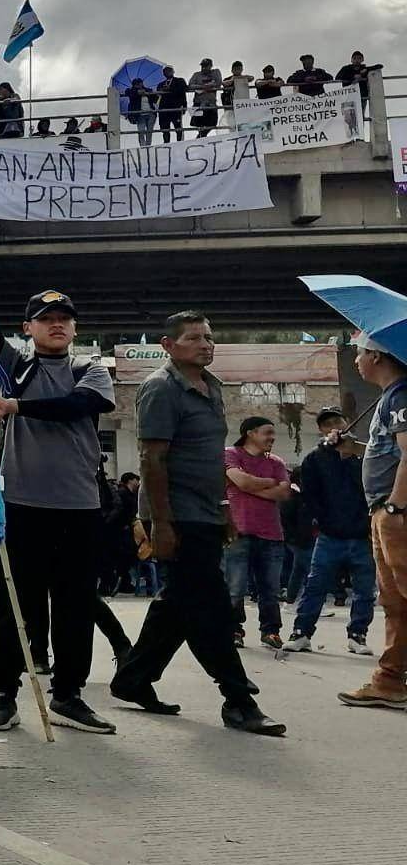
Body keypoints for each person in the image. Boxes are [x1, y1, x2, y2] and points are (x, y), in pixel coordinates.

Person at [109, 312, 284, 734]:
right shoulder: (161, 389)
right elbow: (153, 458)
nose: (205, 344)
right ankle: (237, 697)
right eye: (193, 338)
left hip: (206, 512)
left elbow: (208, 459)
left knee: (179, 604)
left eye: (208, 337)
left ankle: (133, 679)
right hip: (178, 515)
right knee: (210, 606)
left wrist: (224, 508)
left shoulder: (213, 387)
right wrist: (161, 524)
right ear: (169, 345)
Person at [0, 240, 118, 735]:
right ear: (29, 327)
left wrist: (15, 408)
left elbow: (77, 407)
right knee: (17, 602)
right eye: (46, 317)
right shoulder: (16, 366)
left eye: (65, 318)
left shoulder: (89, 368)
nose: (57, 324)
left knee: (75, 603)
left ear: (74, 328)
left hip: (79, 506)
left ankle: (69, 695)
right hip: (22, 505)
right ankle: (2, 693)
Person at [320, 336, 407, 709]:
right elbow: (387, 451)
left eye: (359, 353)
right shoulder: (390, 397)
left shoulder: (401, 396)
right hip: (383, 510)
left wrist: (396, 509)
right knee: (396, 602)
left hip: (395, 513)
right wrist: (351, 447)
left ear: (376, 355)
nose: (356, 360)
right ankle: (389, 681)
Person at [284, 406, 373, 655]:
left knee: (364, 589)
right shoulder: (316, 458)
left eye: (337, 420)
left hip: (361, 536)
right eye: (327, 423)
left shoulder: (362, 455)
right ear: (321, 429)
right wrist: (321, 522)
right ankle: (301, 633)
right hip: (329, 535)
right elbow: (309, 495)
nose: (333, 426)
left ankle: (358, 635)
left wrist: (350, 454)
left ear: (347, 422)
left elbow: (373, 485)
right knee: (316, 585)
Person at [223, 417, 293, 649]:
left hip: (272, 534)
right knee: (235, 587)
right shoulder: (231, 454)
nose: (272, 437)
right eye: (268, 432)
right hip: (238, 531)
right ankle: (233, 629)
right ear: (250, 433)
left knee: (270, 589)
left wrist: (251, 486)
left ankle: (270, 631)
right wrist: (268, 483)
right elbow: (240, 480)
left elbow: (284, 493)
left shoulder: (276, 462)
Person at [187, 58, 221, 137]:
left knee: (212, 124)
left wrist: (210, 84)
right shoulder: (196, 74)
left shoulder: (215, 72)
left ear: (210, 66)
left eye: (206, 66)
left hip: (211, 103)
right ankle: (200, 138)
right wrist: (203, 87)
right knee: (198, 124)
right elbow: (190, 86)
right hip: (198, 103)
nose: (204, 68)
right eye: (202, 66)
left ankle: (200, 138)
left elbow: (218, 83)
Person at [154, 65, 188, 143]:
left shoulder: (180, 80)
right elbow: (157, 95)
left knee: (178, 128)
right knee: (165, 129)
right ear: (163, 73)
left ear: (173, 71)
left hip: (176, 108)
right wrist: (162, 90)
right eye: (165, 71)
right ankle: (166, 144)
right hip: (164, 109)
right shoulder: (160, 84)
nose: (167, 72)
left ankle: (180, 143)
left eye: (169, 70)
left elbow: (183, 90)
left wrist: (184, 106)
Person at [122, 78, 156, 145]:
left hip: (151, 113)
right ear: (134, 85)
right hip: (140, 115)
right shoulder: (131, 91)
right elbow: (127, 92)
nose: (139, 85)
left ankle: (148, 145)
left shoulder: (148, 90)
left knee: (149, 131)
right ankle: (142, 146)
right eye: (137, 84)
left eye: (140, 83)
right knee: (141, 131)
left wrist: (147, 93)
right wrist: (137, 92)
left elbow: (155, 98)